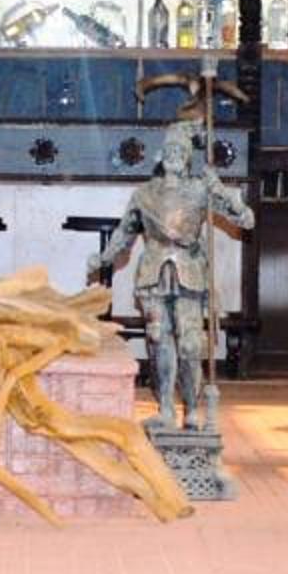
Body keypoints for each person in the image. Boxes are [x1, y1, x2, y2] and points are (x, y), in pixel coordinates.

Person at [88, 114, 252, 430]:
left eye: (181, 151)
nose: (175, 155)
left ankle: (191, 408)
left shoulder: (200, 189)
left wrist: (219, 188)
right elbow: (125, 232)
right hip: (153, 272)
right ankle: (164, 408)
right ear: (161, 156)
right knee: (158, 338)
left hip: (189, 272)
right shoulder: (145, 194)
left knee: (190, 343)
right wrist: (103, 258)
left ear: (188, 157)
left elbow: (246, 219)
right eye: (170, 150)